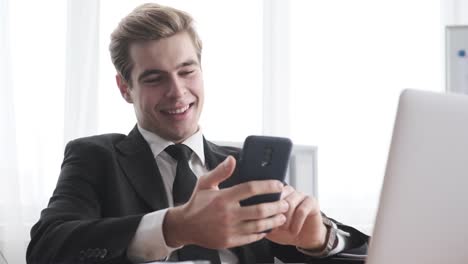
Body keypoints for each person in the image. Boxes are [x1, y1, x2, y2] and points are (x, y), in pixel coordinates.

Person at [26, 3, 368, 264]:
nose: (177, 92)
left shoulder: (243, 168)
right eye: (154, 78)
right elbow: (46, 248)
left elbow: (370, 251)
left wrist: (319, 240)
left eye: (187, 71)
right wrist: (174, 227)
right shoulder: (96, 157)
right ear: (125, 87)